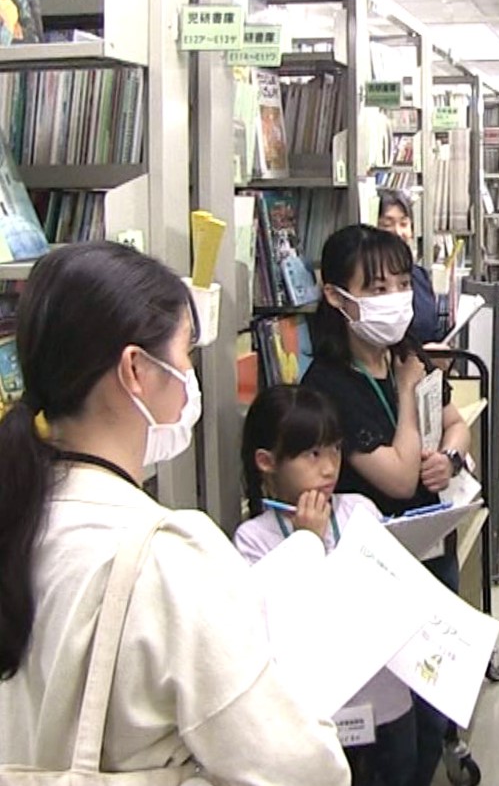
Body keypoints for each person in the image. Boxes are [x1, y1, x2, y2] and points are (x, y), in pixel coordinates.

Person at [0, 242, 348, 784]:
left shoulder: (20, 513)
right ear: (136, 370)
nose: (191, 377)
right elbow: (300, 769)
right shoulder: (166, 555)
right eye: (186, 352)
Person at [300, 223, 472, 785]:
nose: (394, 299)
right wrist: (404, 393)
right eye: (375, 290)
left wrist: (449, 454)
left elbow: (452, 422)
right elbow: (397, 478)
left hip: (431, 550)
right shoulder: (327, 386)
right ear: (334, 295)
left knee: (431, 712)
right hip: (374, 570)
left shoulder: (405, 353)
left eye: (401, 283)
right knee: (392, 733)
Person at [233, 384, 416, 786]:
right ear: (267, 461)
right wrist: (307, 540)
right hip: (314, 721)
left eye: (334, 449)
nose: (330, 467)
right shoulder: (253, 538)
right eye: (313, 454)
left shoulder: (359, 510)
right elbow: (273, 630)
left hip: (386, 705)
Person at [377, 188, 445, 344]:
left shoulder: (420, 276)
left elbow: (431, 327)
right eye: (387, 224)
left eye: (404, 224)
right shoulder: (370, 280)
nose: (397, 231)